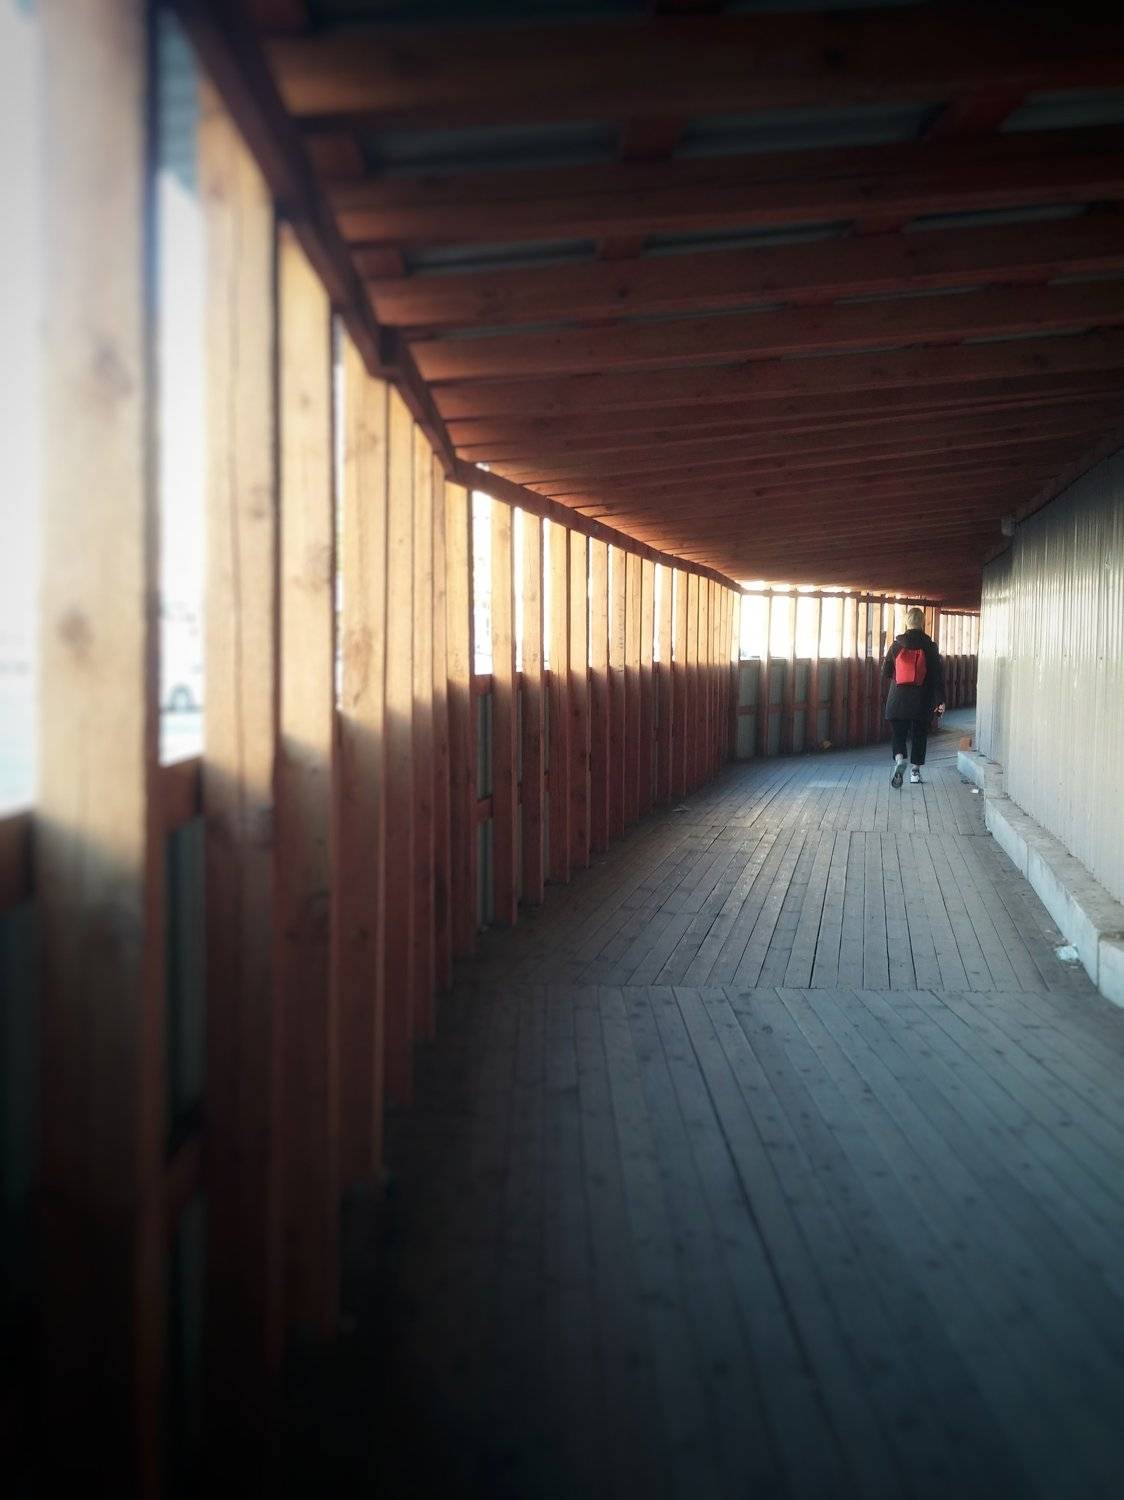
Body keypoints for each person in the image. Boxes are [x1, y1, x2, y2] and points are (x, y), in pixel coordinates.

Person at [882, 606, 945, 787]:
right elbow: (936, 676)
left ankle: (900, 759)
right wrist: (940, 700)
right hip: (921, 700)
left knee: (898, 734)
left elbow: (886, 672)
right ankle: (915, 772)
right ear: (922, 623)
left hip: (897, 700)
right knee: (919, 735)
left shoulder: (896, 645)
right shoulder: (930, 647)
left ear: (907, 622)